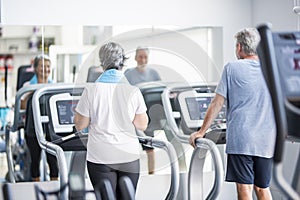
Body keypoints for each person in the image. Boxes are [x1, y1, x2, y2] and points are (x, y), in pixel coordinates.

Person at [189, 28, 276, 200]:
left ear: (239, 47)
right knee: (262, 188)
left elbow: (217, 103)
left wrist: (201, 131)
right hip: (267, 140)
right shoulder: (271, 69)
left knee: (245, 188)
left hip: (242, 139)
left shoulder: (231, 68)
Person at [74, 42, 148, 199]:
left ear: (102, 62)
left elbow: (80, 125)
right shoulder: (133, 91)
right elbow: (142, 124)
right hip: (128, 156)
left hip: (101, 157)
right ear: (123, 61)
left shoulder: (91, 90)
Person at [22, 54, 59, 181]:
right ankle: (36, 188)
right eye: (42, 66)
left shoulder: (54, 86)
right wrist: (32, 93)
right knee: (35, 161)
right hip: (32, 129)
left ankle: (56, 189)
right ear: (36, 68)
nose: (46, 69)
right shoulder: (28, 85)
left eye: (48, 66)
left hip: (50, 129)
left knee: (53, 161)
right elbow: (21, 105)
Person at [125, 46, 161, 175]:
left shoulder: (154, 73)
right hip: (133, 112)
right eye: (140, 57)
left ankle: (152, 173)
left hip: (150, 111)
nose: (143, 60)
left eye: (145, 57)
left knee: (149, 146)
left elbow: (161, 89)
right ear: (135, 58)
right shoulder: (128, 74)